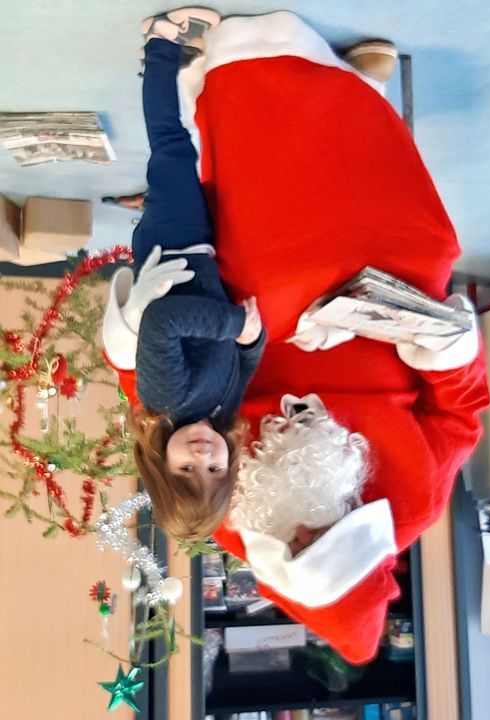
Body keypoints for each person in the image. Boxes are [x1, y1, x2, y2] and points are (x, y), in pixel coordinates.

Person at [105, 10, 490, 663]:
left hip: (252, 322)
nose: (307, 531)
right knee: (426, 251)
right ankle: (359, 100)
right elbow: (460, 413)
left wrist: (129, 341)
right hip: (382, 331)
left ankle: (242, 91)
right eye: (325, 540)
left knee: (278, 262)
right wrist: (441, 348)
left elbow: (161, 408)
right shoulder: (413, 506)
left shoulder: (226, 513)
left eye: (299, 546)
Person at [102, 8, 266, 542]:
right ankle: (166, 64)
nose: (202, 454)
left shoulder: (167, 398)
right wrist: (252, 338)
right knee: (193, 156)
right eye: (214, 468)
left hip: (172, 245)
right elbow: (244, 363)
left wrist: (233, 324)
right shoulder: (220, 412)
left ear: (159, 464)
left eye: (186, 468)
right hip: (203, 253)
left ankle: (160, 42)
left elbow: (165, 323)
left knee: (171, 145)